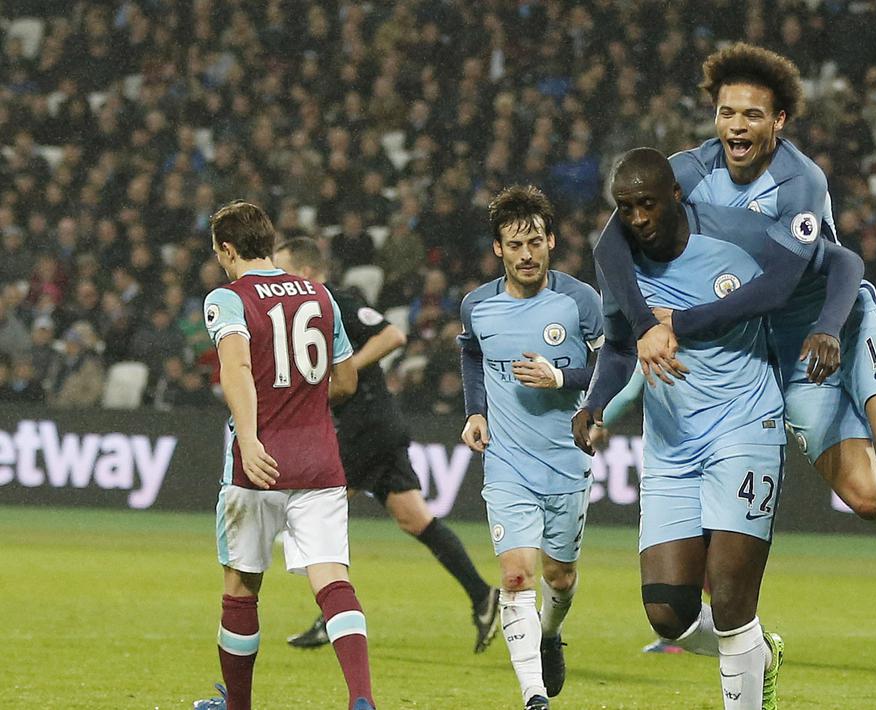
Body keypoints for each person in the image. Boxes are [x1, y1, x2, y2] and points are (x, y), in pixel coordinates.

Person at [592, 43, 876, 625]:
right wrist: (647, 323)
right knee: (866, 499)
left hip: (840, 325)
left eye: (753, 114)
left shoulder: (799, 182)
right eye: (727, 112)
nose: (737, 125)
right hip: (785, 355)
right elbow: (610, 243)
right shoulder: (687, 172)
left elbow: (793, 282)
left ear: (778, 122)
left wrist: (686, 322)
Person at [575, 148, 792, 710]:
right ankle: (758, 654)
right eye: (626, 208)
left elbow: (793, 284)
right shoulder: (620, 265)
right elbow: (623, 346)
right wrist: (595, 402)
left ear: (675, 195)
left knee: (729, 598)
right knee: (669, 614)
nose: (639, 217)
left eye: (647, 203)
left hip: (745, 429)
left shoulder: (733, 244)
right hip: (671, 446)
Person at [273, 237, 499, 654]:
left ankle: (333, 617)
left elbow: (392, 335)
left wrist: (345, 372)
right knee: (415, 520)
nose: (276, 279)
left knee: (314, 512)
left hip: (366, 426)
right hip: (376, 427)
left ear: (304, 272)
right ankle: (483, 596)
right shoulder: (305, 311)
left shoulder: (333, 300)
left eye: (281, 269)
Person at [193, 201, 374, 710]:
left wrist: (250, 439)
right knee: (333, 581)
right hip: (320, 460)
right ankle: (362, 699)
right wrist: (303, 401)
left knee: (241, 588)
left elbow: (235, 370)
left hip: (259, 464)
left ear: (228, 250)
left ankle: (239, 707)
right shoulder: (320, 295)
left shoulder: (227, 300)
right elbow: (345, 380)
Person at [458, 185, 601, 710]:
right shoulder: (478, 306)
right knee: (517, 575)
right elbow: (472, 356)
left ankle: (550, 632)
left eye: (535, 243)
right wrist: (475, 410)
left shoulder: (580, 301)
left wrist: (560, 377)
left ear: (551, 242)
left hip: (566, 460)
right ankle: (533, 695)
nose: (526, 254)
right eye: (515, 245)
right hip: (507, 463)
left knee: (559, 577)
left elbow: (612, 366)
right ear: (499, 248)